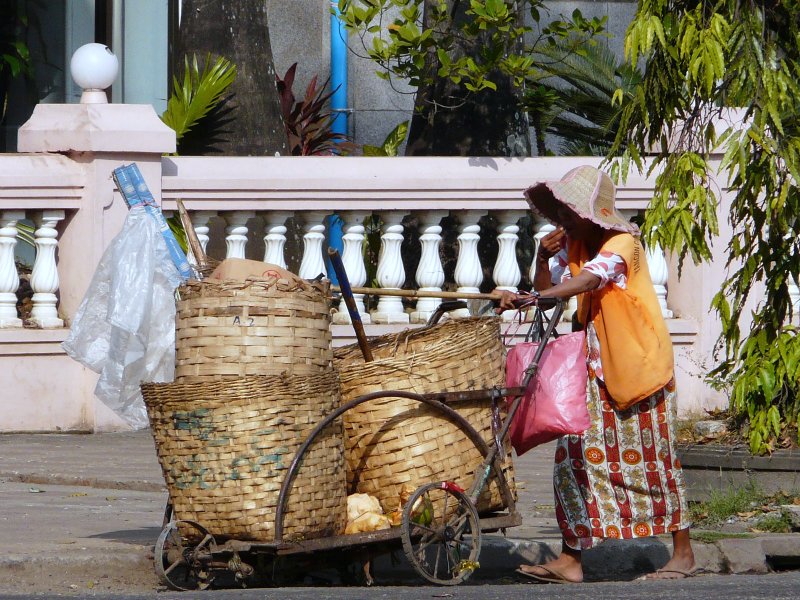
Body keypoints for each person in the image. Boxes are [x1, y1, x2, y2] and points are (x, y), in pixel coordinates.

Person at [496, 165, 698, 584]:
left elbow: (588, 281)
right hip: (590, 372)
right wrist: (541, 261)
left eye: (569, 213)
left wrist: (533, 296)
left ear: (592, 213)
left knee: (654, 460)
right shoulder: (576, 245)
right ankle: (571, 560)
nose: (562, 222)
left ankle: (683, 552)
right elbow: (552, 297)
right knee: (572, 460)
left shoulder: (622, 243)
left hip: (638, 370)